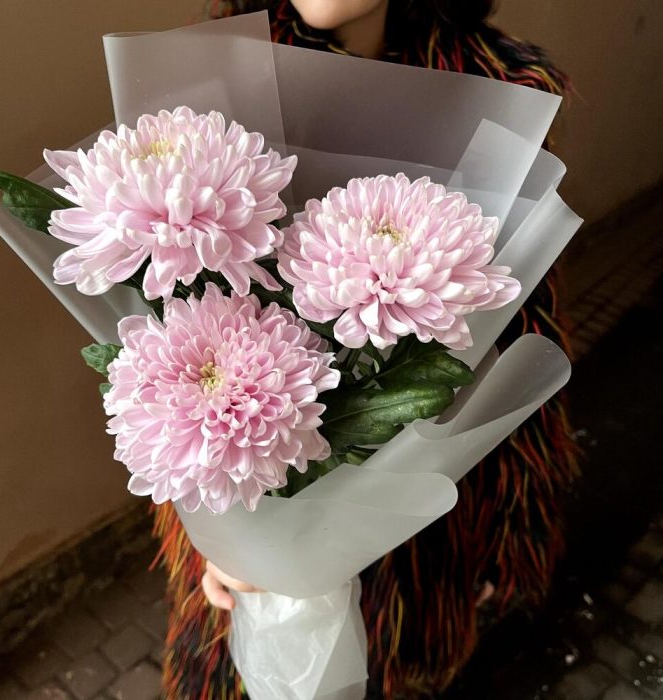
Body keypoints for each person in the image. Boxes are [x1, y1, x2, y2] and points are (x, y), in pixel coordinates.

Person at [152, 2, 580, 697]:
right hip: (253, 535)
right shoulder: (217, 78)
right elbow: (165, 348)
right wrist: (218, 536)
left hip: (427, 528)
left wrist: (509, 532)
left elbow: (521, 336)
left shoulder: (504, 94)